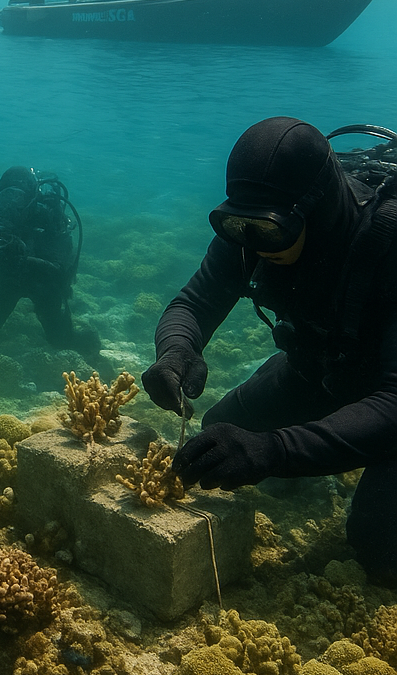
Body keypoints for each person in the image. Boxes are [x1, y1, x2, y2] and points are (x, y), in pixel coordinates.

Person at [141, 117, 397, 583]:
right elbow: (194, 302)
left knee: (378, 548)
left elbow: (393, 402)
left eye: (269, 229)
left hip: (392, 397)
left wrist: (273, 450)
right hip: (321, 370)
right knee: (219, 436)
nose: (253, 242)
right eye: (237, 224)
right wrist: (175, 350)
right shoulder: (250, 234)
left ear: (315, 211)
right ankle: (311, 466)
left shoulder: (388, 248)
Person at [0, 166, 101, 359]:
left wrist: (21, 253)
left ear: (31, 197)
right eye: (6, 197)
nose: (11, 204)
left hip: (45, 289)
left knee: (61, 344)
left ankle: (89, 346)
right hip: (6, 284)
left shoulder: (51, 221)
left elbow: (58, 271)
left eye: (17, 197)